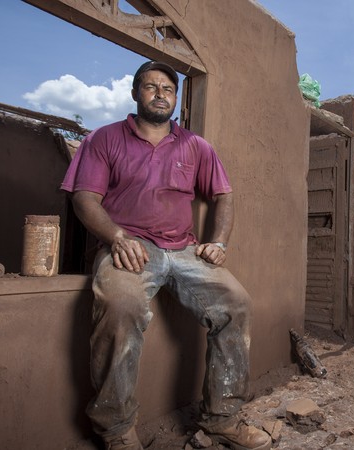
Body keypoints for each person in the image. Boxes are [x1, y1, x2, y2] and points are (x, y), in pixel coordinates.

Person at [61, 61, 271, 450]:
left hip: (185, 250)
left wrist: (218, 242)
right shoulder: (104, 139)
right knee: (121, 306)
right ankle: (117, 430)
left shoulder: (195, 146)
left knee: (237, 304)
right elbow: (84, 198)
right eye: (150, 86)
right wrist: (117, 237)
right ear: (135, 93)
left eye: (168, 89)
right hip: (131, 248)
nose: (160, 93)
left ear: (175, 99)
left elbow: (224, 195)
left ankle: (221, 420)